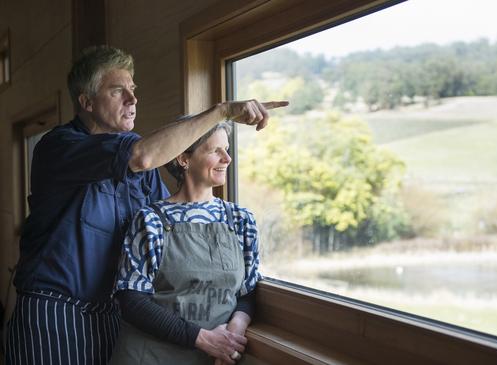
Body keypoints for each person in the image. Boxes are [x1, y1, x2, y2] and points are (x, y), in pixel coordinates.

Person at [4, 45, 287, 365]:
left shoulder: (142, 165)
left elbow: (166, 228)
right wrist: (222, 112)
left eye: (133, 90)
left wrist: (226, 307)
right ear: (86, 101)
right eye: (117, 90)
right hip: (54, 312)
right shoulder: (59, 147)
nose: (132, 99)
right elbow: (142, 156)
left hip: (114, 315)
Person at [110, 121, 257, 365]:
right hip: (148, 357)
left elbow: (248, 292)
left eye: (227, 149)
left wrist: (234, 333)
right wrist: (203, 338)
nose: (228, 158)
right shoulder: (150, 220)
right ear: (183, 159)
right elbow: (131, 300)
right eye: (215, 151)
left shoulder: (242, 221)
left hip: (211, 357)